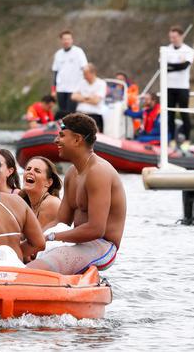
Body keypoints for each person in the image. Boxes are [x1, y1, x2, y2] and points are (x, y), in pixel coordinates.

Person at [25, 113, 127, 274]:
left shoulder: (98, 172)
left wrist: (51, 237)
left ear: (77, 139)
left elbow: (96, 229)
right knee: (20, 252)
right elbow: (61, 220)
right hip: (79, 242)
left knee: (35, 268)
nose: (56, 140)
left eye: (61, 135)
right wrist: (32, 240)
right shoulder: (72, 173)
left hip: (103, 246)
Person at [164, 25, 194, 142]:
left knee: (184, 113)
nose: (172, 40)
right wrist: (175, 66)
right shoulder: (166, 49)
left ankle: (187, 140)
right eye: (171, 37)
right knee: (170, 114)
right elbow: (163, 66)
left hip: (182, 87)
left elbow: (184, 66)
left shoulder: (188, 50)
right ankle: (171, 139)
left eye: (175, 37)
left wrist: (171, 66)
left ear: (181, 36)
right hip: (169, 87)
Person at [51, 30, 88, 117]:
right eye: (64, 39)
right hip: (61, 88)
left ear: (72, 40)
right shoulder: (58, 54)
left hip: (74, 88)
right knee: (62, 112)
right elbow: (56, 72)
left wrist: (84, 87)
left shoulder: (78, 52)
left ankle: (71, 129)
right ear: (61, 41)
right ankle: (63, 129)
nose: (66, 41)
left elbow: (85, 69)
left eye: (68, 39)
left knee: (70, 112)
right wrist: (53, 89)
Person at [20, 157, 62, 229]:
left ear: (49, 182)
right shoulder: (23, 200)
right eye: (28, 169)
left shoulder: (51, 203)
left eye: (37, 171)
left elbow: (38, 239)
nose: (30, 172)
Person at [72, 63, 107, 132]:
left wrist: (81, 98)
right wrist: (88, 97)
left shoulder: (101, 83)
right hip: (80, 114)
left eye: (86, 74)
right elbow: (73, 96)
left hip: (94, 115)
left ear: (93, 73)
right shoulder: (81, 83)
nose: (84, 76)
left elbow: (96, 101)